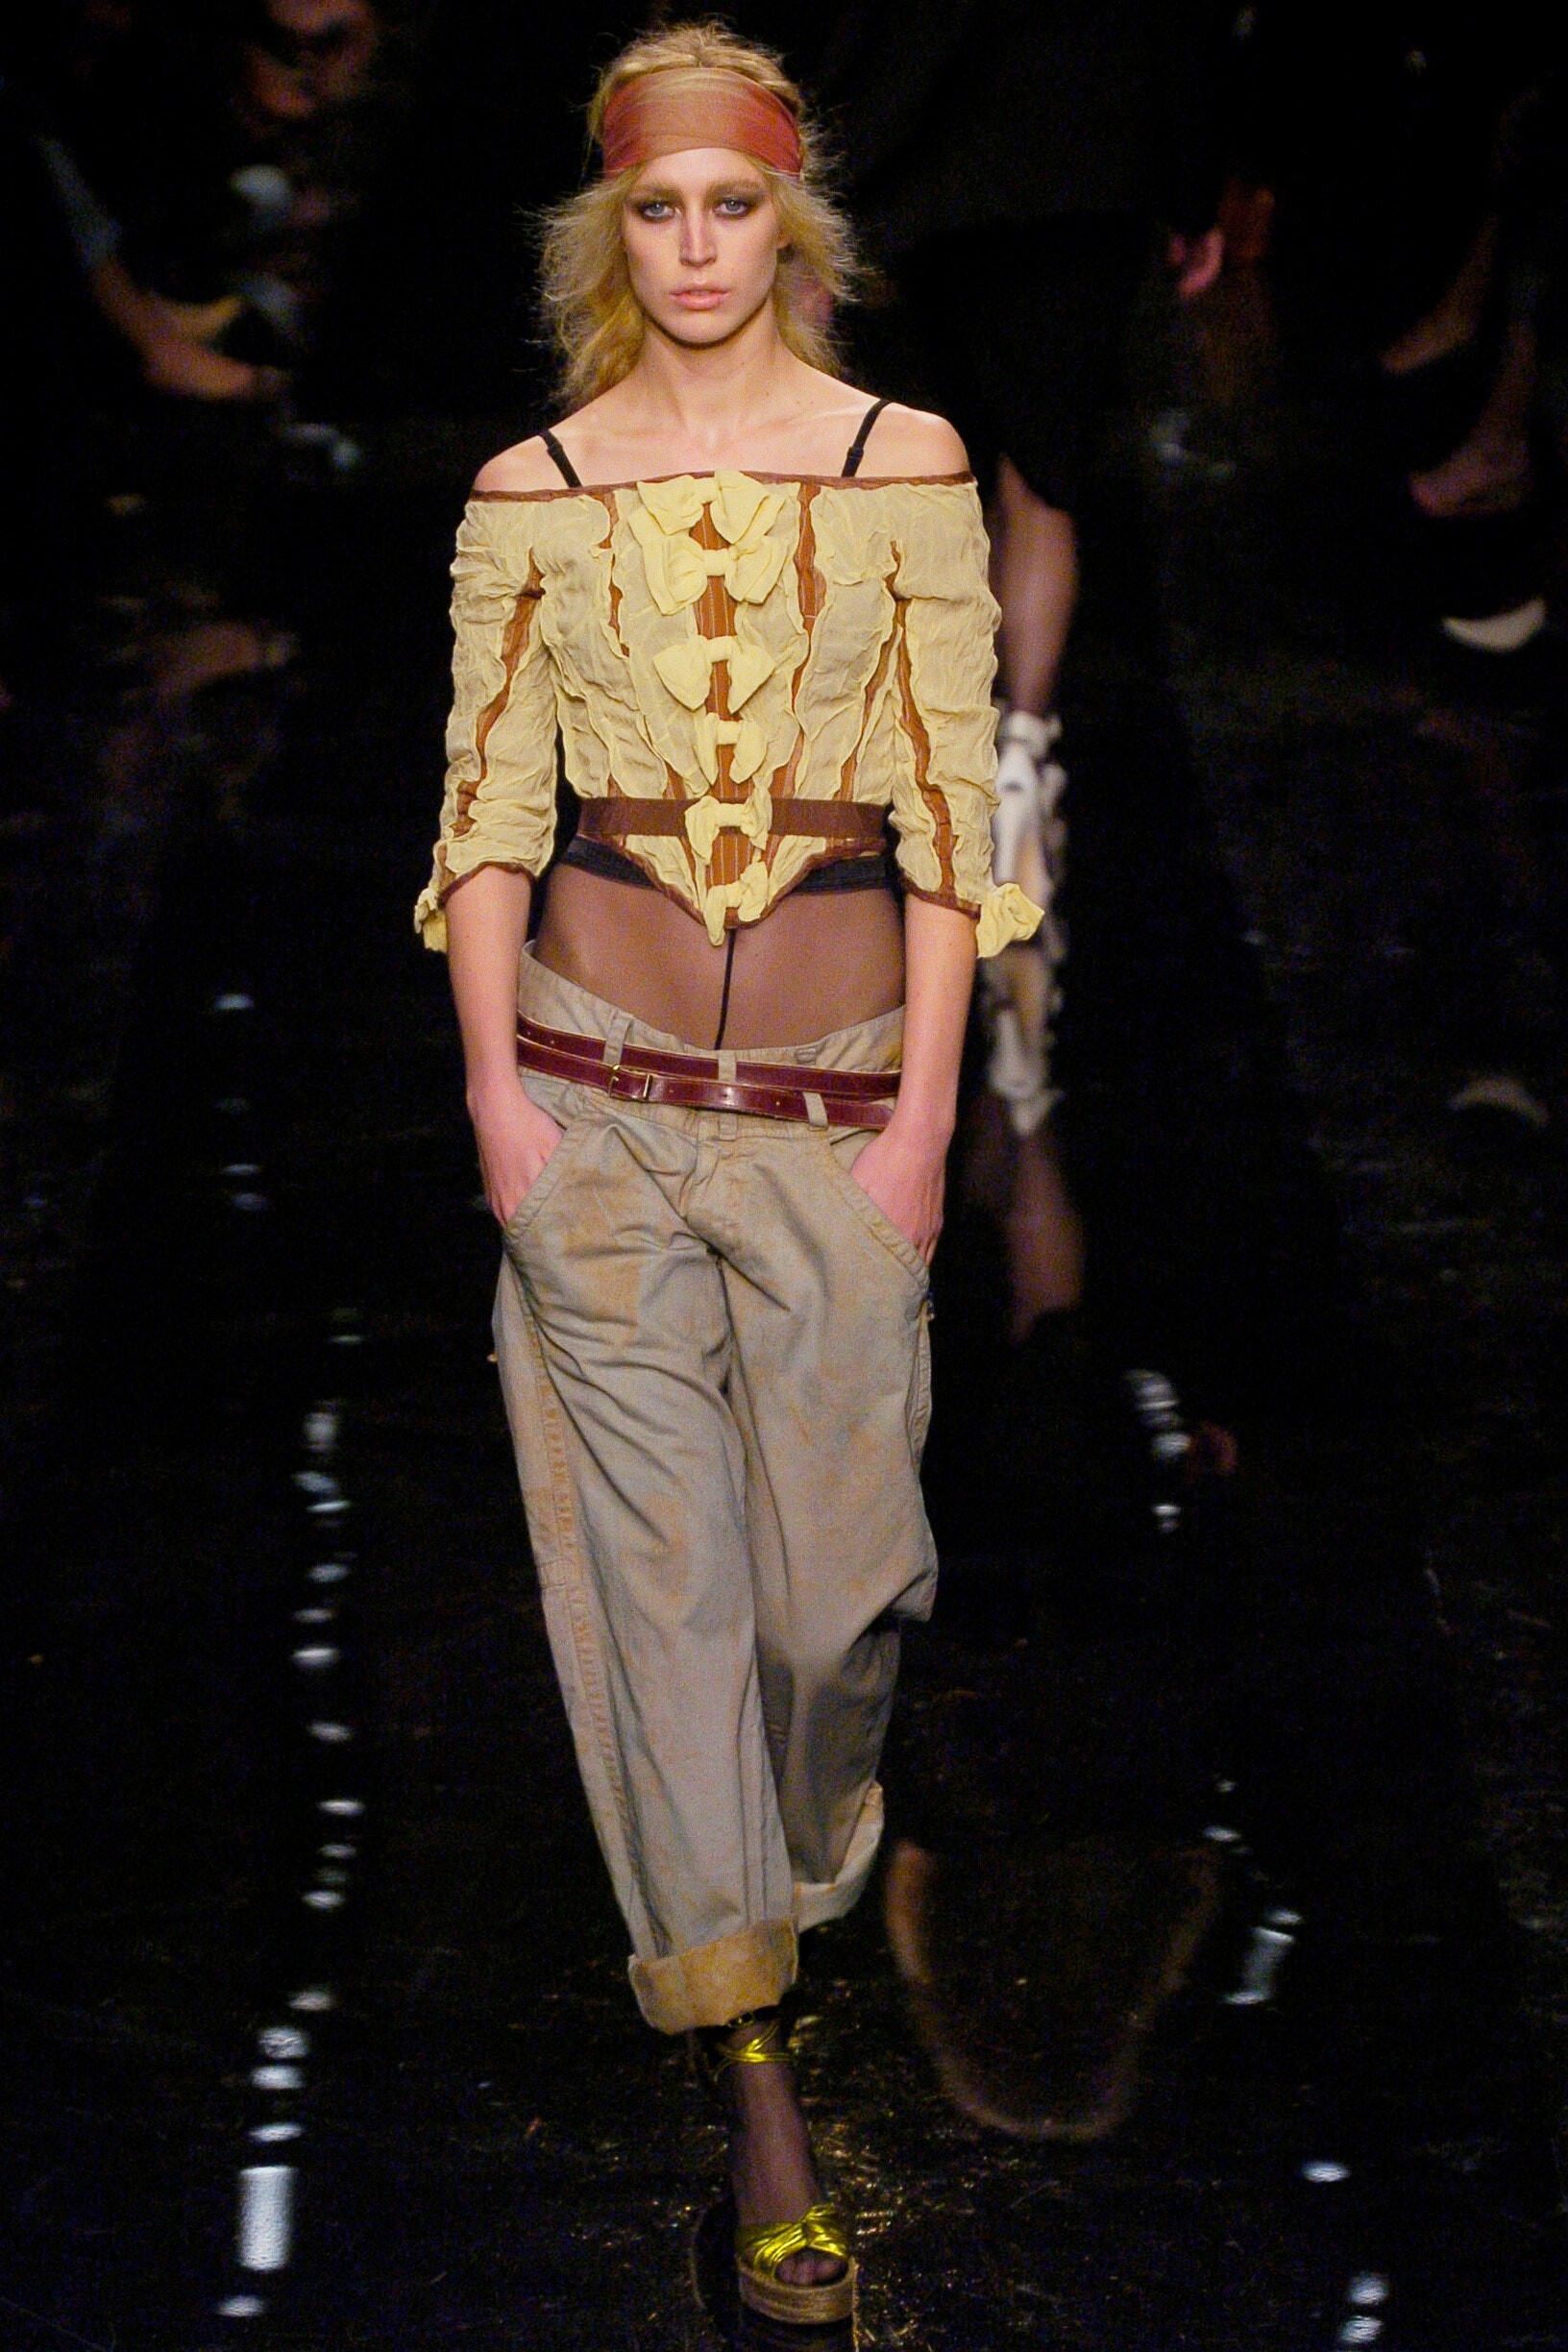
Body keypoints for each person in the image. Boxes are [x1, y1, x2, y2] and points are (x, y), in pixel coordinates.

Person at [413, 22, 1041, 2327]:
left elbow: (955, 812)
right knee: (662, 1608)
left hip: (837, 1116)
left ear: (792, 224)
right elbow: (487, 808)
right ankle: (755, 2080)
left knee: (829, 1610)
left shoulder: (902, 465)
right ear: (614, 233)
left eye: (732, 206)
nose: (695, 250)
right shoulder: (530, 490)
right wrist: (498, 1106)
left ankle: (778, 1888)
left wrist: (925, 1130)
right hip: (587, 1108)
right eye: (658, 211)